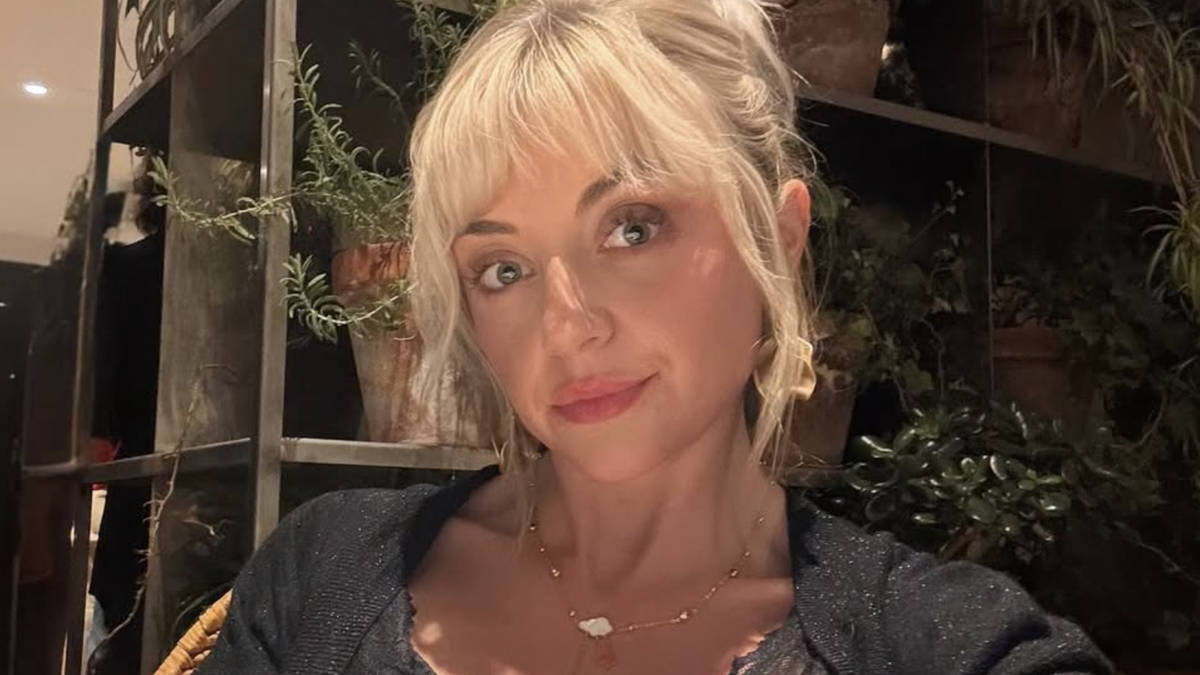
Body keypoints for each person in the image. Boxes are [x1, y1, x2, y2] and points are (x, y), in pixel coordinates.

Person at [199, 0, 1113, 672]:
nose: (567, 324)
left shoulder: (944, 644)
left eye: (633, 227)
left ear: (777, 240)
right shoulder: (319, 580)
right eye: (503, 268)